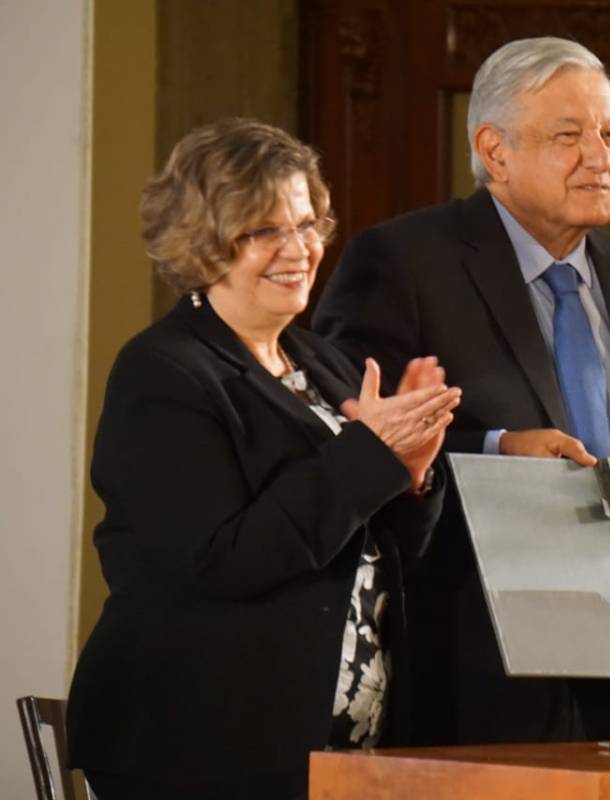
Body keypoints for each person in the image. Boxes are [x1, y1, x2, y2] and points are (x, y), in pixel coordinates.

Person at [312, 37, 610, 745]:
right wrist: (497, 449)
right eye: (569, 136)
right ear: (495, 150)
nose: (601, 157)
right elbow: (348, 445)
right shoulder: (403, 261)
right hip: (469, 658)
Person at [66, 119, 461, 799]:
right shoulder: (163, 372)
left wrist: (412, 469)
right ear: (203, 243)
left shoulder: (322, 361)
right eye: (264, 231)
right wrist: (370, 455)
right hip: (197, 745)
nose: (299, 250)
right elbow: (221, 557)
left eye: (307, 225)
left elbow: (375, 546)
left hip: (332, 749)